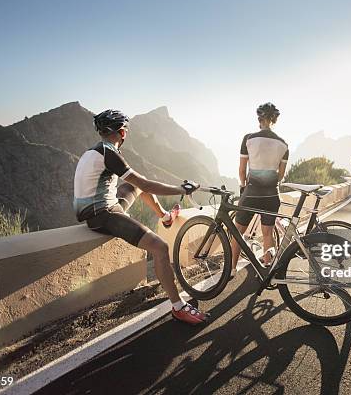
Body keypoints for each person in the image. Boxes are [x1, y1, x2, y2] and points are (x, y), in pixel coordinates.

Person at [73, 109, 208, 325]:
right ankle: (178, 307)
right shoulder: (110, 153)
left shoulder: (95, 151)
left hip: (98, 209)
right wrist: (181, 189)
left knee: (135, 184)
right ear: (122, 133)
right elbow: (145, 185)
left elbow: (138, 184)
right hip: (104, 215)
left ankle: (164, 216)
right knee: (160, 248)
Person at [230, 102, 289, 275]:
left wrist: (243, 187)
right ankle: (267, 269)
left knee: (238, 233)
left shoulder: (249, 139)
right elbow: (281, 175)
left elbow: (242, 171)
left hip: (251, 193)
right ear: (274, 120)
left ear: (260, 118)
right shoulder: (283, 144)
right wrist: (269, 184)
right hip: (272, 195)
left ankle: (232, 269)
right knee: (267, 234)